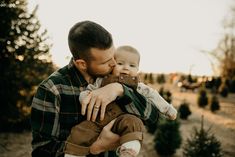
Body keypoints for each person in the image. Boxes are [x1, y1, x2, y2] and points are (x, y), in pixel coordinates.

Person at [30, 21, 159, 157]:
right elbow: (41, 151)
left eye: (113, 56)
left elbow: (153, 116)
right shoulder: (52, 89)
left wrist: (119, 90)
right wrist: (96, 147)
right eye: (106, 61)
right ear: (82, 64)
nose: (114, 64)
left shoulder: (117, 78)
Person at [64, 45, 177, 157]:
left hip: (123, 119)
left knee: (134, 123)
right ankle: (74, 154)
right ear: (112, 65)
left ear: (138, 69)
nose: (126, 68)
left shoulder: (139, 86)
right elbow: (91, 90)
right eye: (120, 63)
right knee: (80, 131)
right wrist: (85, 97)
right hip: (98, 119)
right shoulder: (101, 80)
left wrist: (168, 109)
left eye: (132, 65)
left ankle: (129, 150)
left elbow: (154, 96)